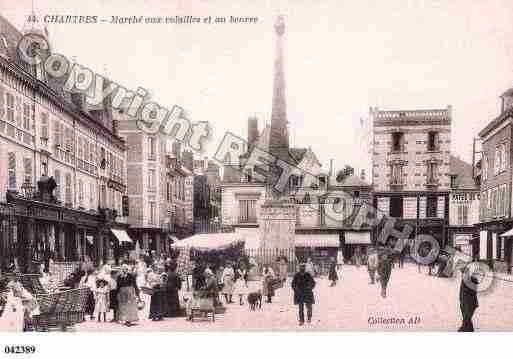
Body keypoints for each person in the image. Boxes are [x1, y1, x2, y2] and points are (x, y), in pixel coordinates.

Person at [458, 266, 479, 332]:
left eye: (464, 273)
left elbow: (472, 292)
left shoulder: (470, 280)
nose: (462, 274)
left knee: (467, 317)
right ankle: (467, 328)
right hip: (465, 302)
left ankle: (464, 328)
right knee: (466, 317)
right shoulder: (465, 279)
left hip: (469, 303)